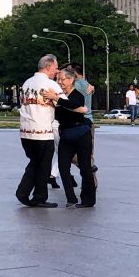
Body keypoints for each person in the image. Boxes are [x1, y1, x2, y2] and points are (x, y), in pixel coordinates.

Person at [16, 54, 63, 208]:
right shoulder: (51, 85)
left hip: (25, 131)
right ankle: (39, 197)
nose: (56, 72)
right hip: (43, 132)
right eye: (55, 68)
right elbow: (65, 104)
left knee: (34, 162)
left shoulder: (26, 83)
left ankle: (23, 192)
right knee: (43, 166)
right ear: (48, 67)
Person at [45, 67, 95, 207]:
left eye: (62, 79)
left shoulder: (76, 94)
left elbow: (76, 105)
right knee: (63, 166)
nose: (60, 82)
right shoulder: (59, 95)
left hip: (81, 133)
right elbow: (70, 109)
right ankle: (71, 198)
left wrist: (57, 99)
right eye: (58, 79)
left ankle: (88, 200)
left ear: (71, 80)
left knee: (85, 167)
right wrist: (57, 100)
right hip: (66, 134)